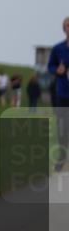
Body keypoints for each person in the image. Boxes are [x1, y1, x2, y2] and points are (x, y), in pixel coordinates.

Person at [47, 16, 69, 172]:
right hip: (63, 94)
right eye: (68, 25)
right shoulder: (58, 49)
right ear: (64, 29)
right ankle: (61, 158)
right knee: (62, 128)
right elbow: (50, 66)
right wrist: (57, 70)